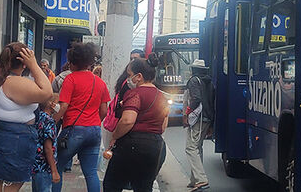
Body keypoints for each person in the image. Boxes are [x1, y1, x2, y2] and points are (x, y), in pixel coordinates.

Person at [0, 43, 53, 192]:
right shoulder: (15, 83)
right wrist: (34, 65)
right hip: (12, 145)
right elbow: (47, 92)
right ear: (24, 63)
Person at [103, 54, 169, 192]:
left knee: (112, 184)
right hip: (156, 146)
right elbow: (163, 126)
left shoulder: (135, 94)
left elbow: (127, 121)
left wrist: (115, 136)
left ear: (138, 76)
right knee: (144, 187)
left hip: (132, 145)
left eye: (130, 74)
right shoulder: (162, 96)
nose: (128, 79)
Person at [52, 42, 110, 192]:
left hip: (74, 130)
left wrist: (52, 122)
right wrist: (94, 121)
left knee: (57, 166)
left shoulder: (70, 79)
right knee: (91, 172)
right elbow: (104, 110)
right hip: (94, 131)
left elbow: (63, 106)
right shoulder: (101, 82)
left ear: (73, 62)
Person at [183, 59, 214, 191]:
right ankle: (194, 180)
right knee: (198, 147)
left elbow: (196, 99)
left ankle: (201, 180)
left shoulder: (194, 80)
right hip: (207, 119)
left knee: (190, 148)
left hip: (197, 119)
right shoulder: (210, 82)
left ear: (193, 69)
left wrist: (186, 114)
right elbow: (212, 103)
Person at [32, 94, 61, 192]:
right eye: (58, 103)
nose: (59, 105)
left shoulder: (38, 117)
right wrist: (54, 170)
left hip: (36, 164)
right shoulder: (49, 121)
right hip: (45, 166)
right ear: (51, 104)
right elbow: (48, 148)